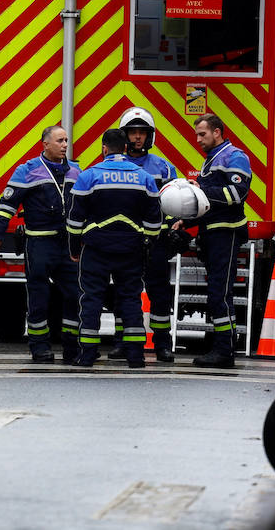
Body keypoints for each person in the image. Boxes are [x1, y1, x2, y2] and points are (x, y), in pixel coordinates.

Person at [66, 129, 162, 369]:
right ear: (126, 147)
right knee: (130, 300)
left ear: (104, 148)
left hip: (96, 249)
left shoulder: (89, 177)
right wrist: (147, 246)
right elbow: (154, 222)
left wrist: (74, 248)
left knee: (91, 300)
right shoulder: (144, 177)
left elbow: (74, 220)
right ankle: (136, 356)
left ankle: (87, 354)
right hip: (131, 249)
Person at [0, 125, 82, 363]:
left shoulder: (76, 171)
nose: (64, 145)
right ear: (45, 144)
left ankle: (72, 347)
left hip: (67, 245)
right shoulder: (27, 171)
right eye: (59, 141)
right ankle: (39, 347)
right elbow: (8, 204)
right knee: (39, 296)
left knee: (74, 295)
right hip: (39, 243)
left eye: (66, 141)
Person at [183, 113, 253, 369]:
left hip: (227, 234)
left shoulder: (235, 157)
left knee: (219, 294)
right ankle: (222, 347)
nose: (198, 140)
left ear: (217, 132)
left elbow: (236, 193)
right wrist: (186, 221)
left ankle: (224, 351)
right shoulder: (213, 159)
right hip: (213, 234)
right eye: (197, 135)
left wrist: (199, 189)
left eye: (202, 134)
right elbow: (207, 205)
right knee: (218, 294)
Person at [115, 107, 182, 362]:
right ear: (125, 135)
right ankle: (123, 342)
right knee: (125, 292)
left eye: (142, 133)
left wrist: (176, 223)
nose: (137, 138)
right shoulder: (115, 166)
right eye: (132, 132)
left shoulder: (164, 168)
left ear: (150, 136)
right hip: (126, 240)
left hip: (156, 241)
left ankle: (163, 343)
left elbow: (174, 203)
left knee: (160, 293)